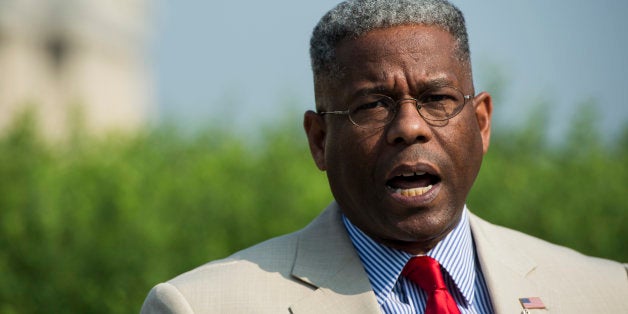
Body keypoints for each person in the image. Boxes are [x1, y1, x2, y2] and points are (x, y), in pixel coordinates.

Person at [141, 0, 628, 313]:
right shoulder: (201, 306)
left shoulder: (605, 293)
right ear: (318, 140)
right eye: (372, 105)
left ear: (481, 122)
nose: (410, 128)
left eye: (437, 99)